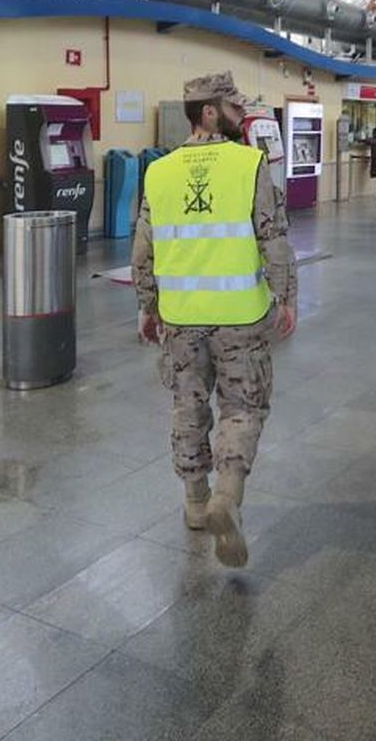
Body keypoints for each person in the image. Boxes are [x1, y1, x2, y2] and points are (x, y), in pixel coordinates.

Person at [131, 71, 298, 568]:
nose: (241, 113)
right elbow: (274, 237)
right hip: (240, 316)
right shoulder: (249, 165)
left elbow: (143, 248)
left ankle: (196, 503)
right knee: (243, 407)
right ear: (209, 112)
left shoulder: (157, 172)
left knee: (187, 405)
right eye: (233, 106)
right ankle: (228, 495)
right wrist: (285, 296)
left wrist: (148, 304)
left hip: (181, 318)